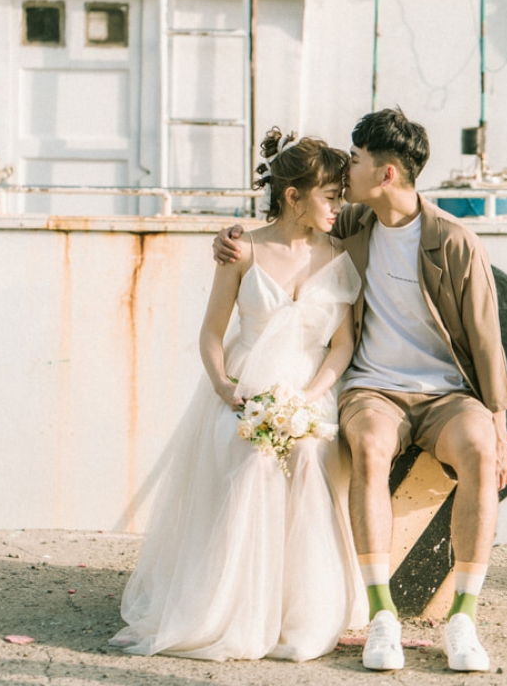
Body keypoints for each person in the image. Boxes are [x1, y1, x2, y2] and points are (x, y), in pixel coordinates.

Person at [213, 107, 507, 673]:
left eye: (355, 160)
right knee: (371, 448)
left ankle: (464, 620)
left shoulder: (455, 242)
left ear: (387, 175)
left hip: (448, 395)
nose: (344, 171)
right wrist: (229, 237)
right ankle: (382, 617)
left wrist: (498, 429)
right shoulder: (351, 225)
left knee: (478, 450)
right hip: (373, 390)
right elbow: (289, 223)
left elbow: (488, 342)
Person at [110, 128, 367, 661]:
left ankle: (300, 613)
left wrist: (307, 397)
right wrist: (228, 391)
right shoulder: (243, 250)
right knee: (250, 458)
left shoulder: (340, 252)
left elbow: (341, 345)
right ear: (293, 196)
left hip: (310, 389)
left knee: (309, 451)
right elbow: (210, 334)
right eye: (329, 196)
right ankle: (234, 609)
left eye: (340, 196)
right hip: (246, 387)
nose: (338, 206)